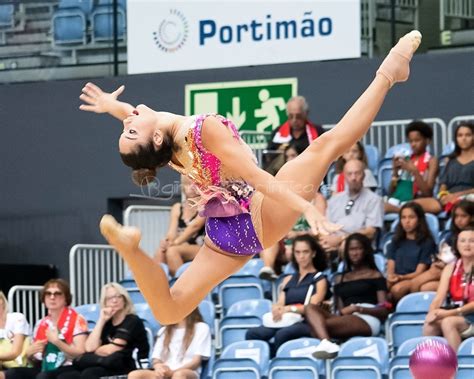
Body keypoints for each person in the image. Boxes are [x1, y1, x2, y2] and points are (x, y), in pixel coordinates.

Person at [78, 30, 422, 325]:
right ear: (152, 138)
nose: (128, 120)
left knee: (169, 310)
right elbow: (258, 178)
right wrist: (310, 210)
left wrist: (112, 107)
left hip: (222, 233)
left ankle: (132, 251)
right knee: (328, 145)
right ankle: (389, 72)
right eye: (130, 129)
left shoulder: (160, 144)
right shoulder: (201, 132)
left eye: (125, 128)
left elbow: (133, 119)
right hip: (256, 215)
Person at [307, 233, 391, 359]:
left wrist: (357, 309)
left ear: (365, 251)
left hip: (367, 318)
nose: (355, 253)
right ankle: (327, 343)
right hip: (345, 317)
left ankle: (327, 343)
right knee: (310, 308)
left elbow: (384, 310)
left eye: (358, 248)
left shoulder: (375, 275)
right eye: (351, 249)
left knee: (317, 328)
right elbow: (340, 311)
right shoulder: (339, 278)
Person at [247, 235, 329, 355]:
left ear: (313, 253)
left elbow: (312, 307)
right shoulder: (288, 278)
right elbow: (281, 301)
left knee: (282, 334)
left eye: (305, 252)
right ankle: (268, 361)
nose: (301, 256)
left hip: (306, 321)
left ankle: (279, 364)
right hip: (286, 319)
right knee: (253, 333)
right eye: (298, 252)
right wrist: (277, 308)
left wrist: (287, 309)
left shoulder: (319, 279)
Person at [259, 143, 326, 280]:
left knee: (299, 247)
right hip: (285, 241)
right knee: (268, 239)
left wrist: (297, 234)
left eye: (293, 155)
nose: (290, 160)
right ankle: (268, 269)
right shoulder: (280, 194)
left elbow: (320, 229)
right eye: (287, 156)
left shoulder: (317, 197)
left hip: (307, 241)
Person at [57, 282, 148, 379]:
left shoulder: (132, 320)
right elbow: (89, 348)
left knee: (89, 374)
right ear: (105, 303)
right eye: (110, 298)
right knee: (64, 376)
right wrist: (101, 320)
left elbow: (111, 350)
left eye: (118, 296)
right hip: (107, 363)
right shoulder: (107, 322)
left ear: (124, 299)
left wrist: (97, 350)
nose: (115, 300)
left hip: (128, 365)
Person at [6, 279, 88, 379]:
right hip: (45, 366)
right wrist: (29, 354)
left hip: (69, 366)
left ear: (66, 298)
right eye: (48, 294)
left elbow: (80, 352)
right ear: (44, 298)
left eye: (57, 293)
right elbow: (35, 360)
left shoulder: (77, 319)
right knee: (12, 373)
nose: (52, 297)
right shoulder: (41, 323)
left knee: (43, 376)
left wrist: (57, 342)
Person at [321, 159, 383, 266]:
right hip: (333, 243)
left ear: (363, 176)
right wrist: (326, 240)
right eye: (349, 174)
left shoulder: (374, 200)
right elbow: (326, 227)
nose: (353, 178)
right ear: (344, 176)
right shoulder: (334, 200)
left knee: (346, 245)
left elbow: (370, 232)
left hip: (359, 245)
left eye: (357, 173)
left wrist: (342, 239)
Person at [423, 228, 474, 351]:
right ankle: (431, 363)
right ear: (457, 244)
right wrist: (433, 311)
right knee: (430, 325)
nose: (467, 244)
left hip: (469, 313)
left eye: (472, 241)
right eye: (462, 241)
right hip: (458, 312)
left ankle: (457, 365)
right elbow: (439, 297)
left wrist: (450, 313)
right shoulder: (451, 268)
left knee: (448, 322)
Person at [409, 199, 474, 293]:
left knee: (417, 284)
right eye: (456, 216)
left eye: (463, 216)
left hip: (463, 273)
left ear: (472, 217)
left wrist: (446, 266)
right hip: (445, 270)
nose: (459, 220)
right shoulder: (451, 235)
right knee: (421, 286)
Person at [128, 308, 211, 379]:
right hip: (165, 372)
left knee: (179, 375)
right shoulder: (164, 331)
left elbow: (196, 362)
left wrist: (172, 372)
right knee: (134, 375)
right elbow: (156, 359)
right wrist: (159, 368)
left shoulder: (201, 328)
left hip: (188, 372)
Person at [414, 122, 474, 214]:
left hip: (469, 197)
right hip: (449, 197)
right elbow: (443, 184)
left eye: (468, 135)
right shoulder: (450, 161)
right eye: (460, 135)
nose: (463, 138)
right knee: (413, 206)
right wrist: (443, 195)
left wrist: (457, 195)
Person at [155, 175, 206, 277]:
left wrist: (175, 243)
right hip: (181, 245)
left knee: (172, 251)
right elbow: (171, 232)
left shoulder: (205, 205)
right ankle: (157, 287)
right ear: (183, 187)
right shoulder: (177, 207)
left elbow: (195, 226)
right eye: (188, 184)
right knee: (160, 251)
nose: (192, 187)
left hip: (202, 248)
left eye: (195, 183)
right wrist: (167, 241)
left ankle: (182, 287)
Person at [386, 202, 436, 303]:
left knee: (397, 290)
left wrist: (401, 277)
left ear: (419, 220)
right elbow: (390, 267)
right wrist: (391, 277)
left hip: (413, 279)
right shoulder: (395, 241)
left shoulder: (427, 243)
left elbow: (419, 272)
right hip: (396, 278)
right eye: (403, 218)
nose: (407, 221)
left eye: (411, 217)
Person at [385, 120, 439, 214]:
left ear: (427, 140)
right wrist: (395, 172)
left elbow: (428, 193)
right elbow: (391, 192)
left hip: (417, 200)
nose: (413, 144)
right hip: (397, 201)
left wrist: (414, 171)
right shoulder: (405, 160)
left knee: (434, 205)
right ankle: (404, 210)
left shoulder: (431, 160)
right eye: (410, 141)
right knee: (375, 204)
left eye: (417, 140)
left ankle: (404, 210)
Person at [264, 96, 325, 175]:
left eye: (298, 116)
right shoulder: (277, 133)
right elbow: (268, 157)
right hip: (282, 175)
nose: (294, 120)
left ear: (306, 114)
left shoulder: (317, 131)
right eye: (291, 116)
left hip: (310, 174)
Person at [0, 292, 30, 379]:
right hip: (5, 367)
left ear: (2, 302)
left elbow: (15, 352)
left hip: (25, 366)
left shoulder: (17, 318)